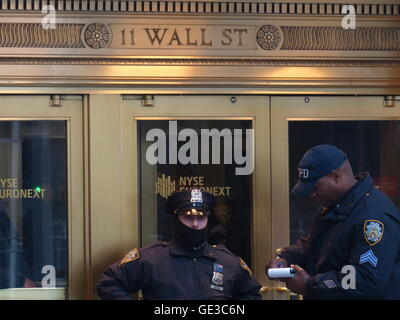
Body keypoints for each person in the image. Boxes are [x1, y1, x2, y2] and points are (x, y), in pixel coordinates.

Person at [267, 144, 400, 299]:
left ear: (336, 176)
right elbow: (314, 244)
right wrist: (286, 258)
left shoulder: (373, 216)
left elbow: (366, 279)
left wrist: (310, 285)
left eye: (315, 187)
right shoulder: (335, 205)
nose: (311, 194)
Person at [97, 189, 261, 300]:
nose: (195, 224)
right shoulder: (152, 259)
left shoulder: (228, 262)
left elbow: (251, 293)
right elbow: (109, 283)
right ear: (176, 220)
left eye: (201, 218)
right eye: (188, 218)